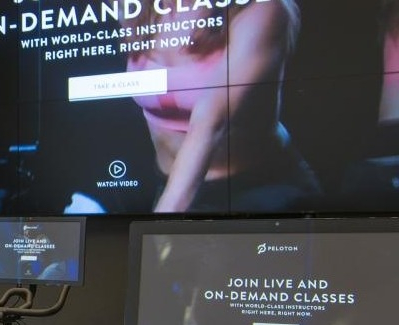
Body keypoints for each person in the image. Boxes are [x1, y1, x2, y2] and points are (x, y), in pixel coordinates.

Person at [120, 1, 319, 213]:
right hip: (169, 186)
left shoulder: (264, 8)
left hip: (261, 189)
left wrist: (161, 221)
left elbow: (211, 121)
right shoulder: (138, 8)